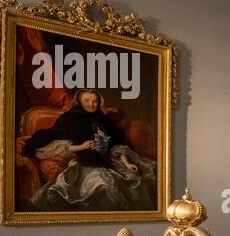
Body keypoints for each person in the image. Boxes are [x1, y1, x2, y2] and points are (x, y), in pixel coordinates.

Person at [22, 89, 157, 211]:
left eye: (95, 101)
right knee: (102, 185)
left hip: (109, 162)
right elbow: (61, 144)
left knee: (140, 179)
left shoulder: (105, 120)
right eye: (87, 101)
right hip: (84, 164)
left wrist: (127, 163)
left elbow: (118, 144)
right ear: (80, 101)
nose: (91, 104)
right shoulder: (70, 118)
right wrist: (83, 146)